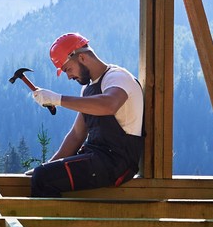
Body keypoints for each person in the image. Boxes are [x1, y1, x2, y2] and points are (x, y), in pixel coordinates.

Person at [25, 32, 145, 197]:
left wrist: (58, 99)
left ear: (81, 58)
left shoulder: (118, 77)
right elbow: (76, 135)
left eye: (68, 69)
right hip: (99, 158)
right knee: (42, 175)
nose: (69, 76)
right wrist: (48, 165)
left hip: (117, 162)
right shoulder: (88, 89)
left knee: (44, 178)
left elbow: (109, 104)